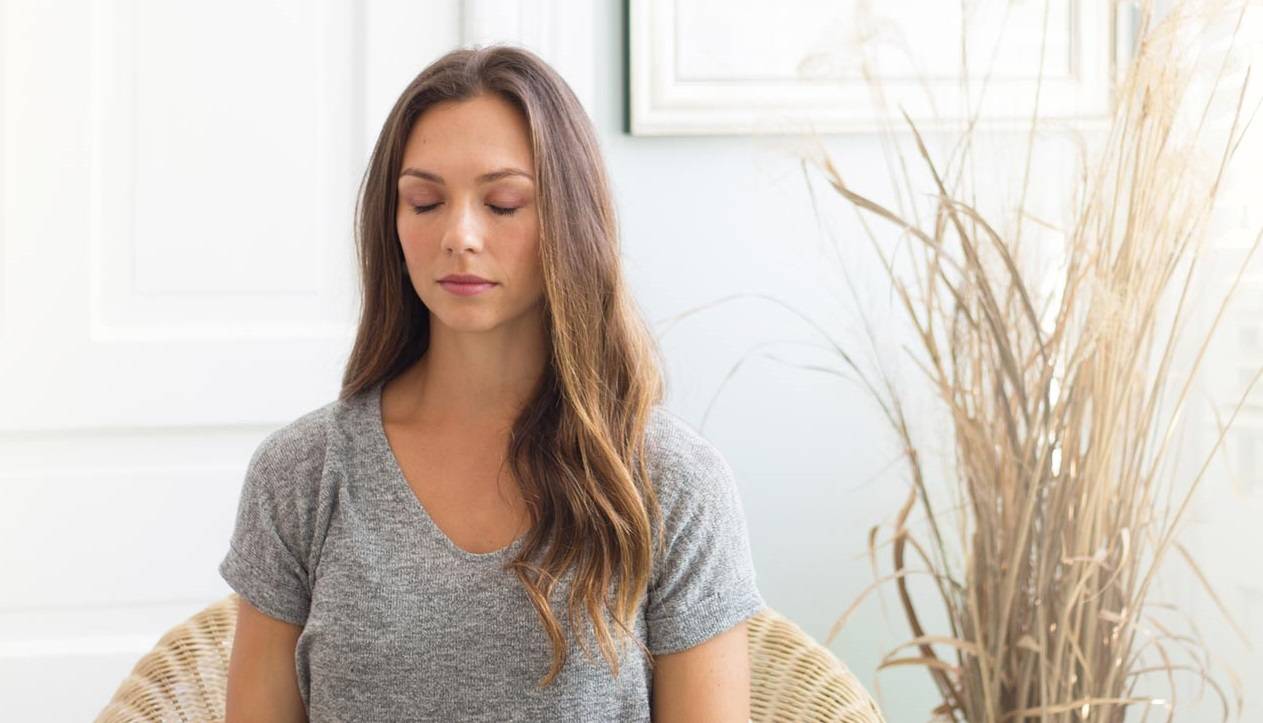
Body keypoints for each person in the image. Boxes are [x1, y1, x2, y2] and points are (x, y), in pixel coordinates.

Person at [218, 43, 766, 722]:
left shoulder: (671, 481)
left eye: (503, 204)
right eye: (425, 202)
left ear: (570, 220)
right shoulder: (301, 472)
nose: (460, 235)